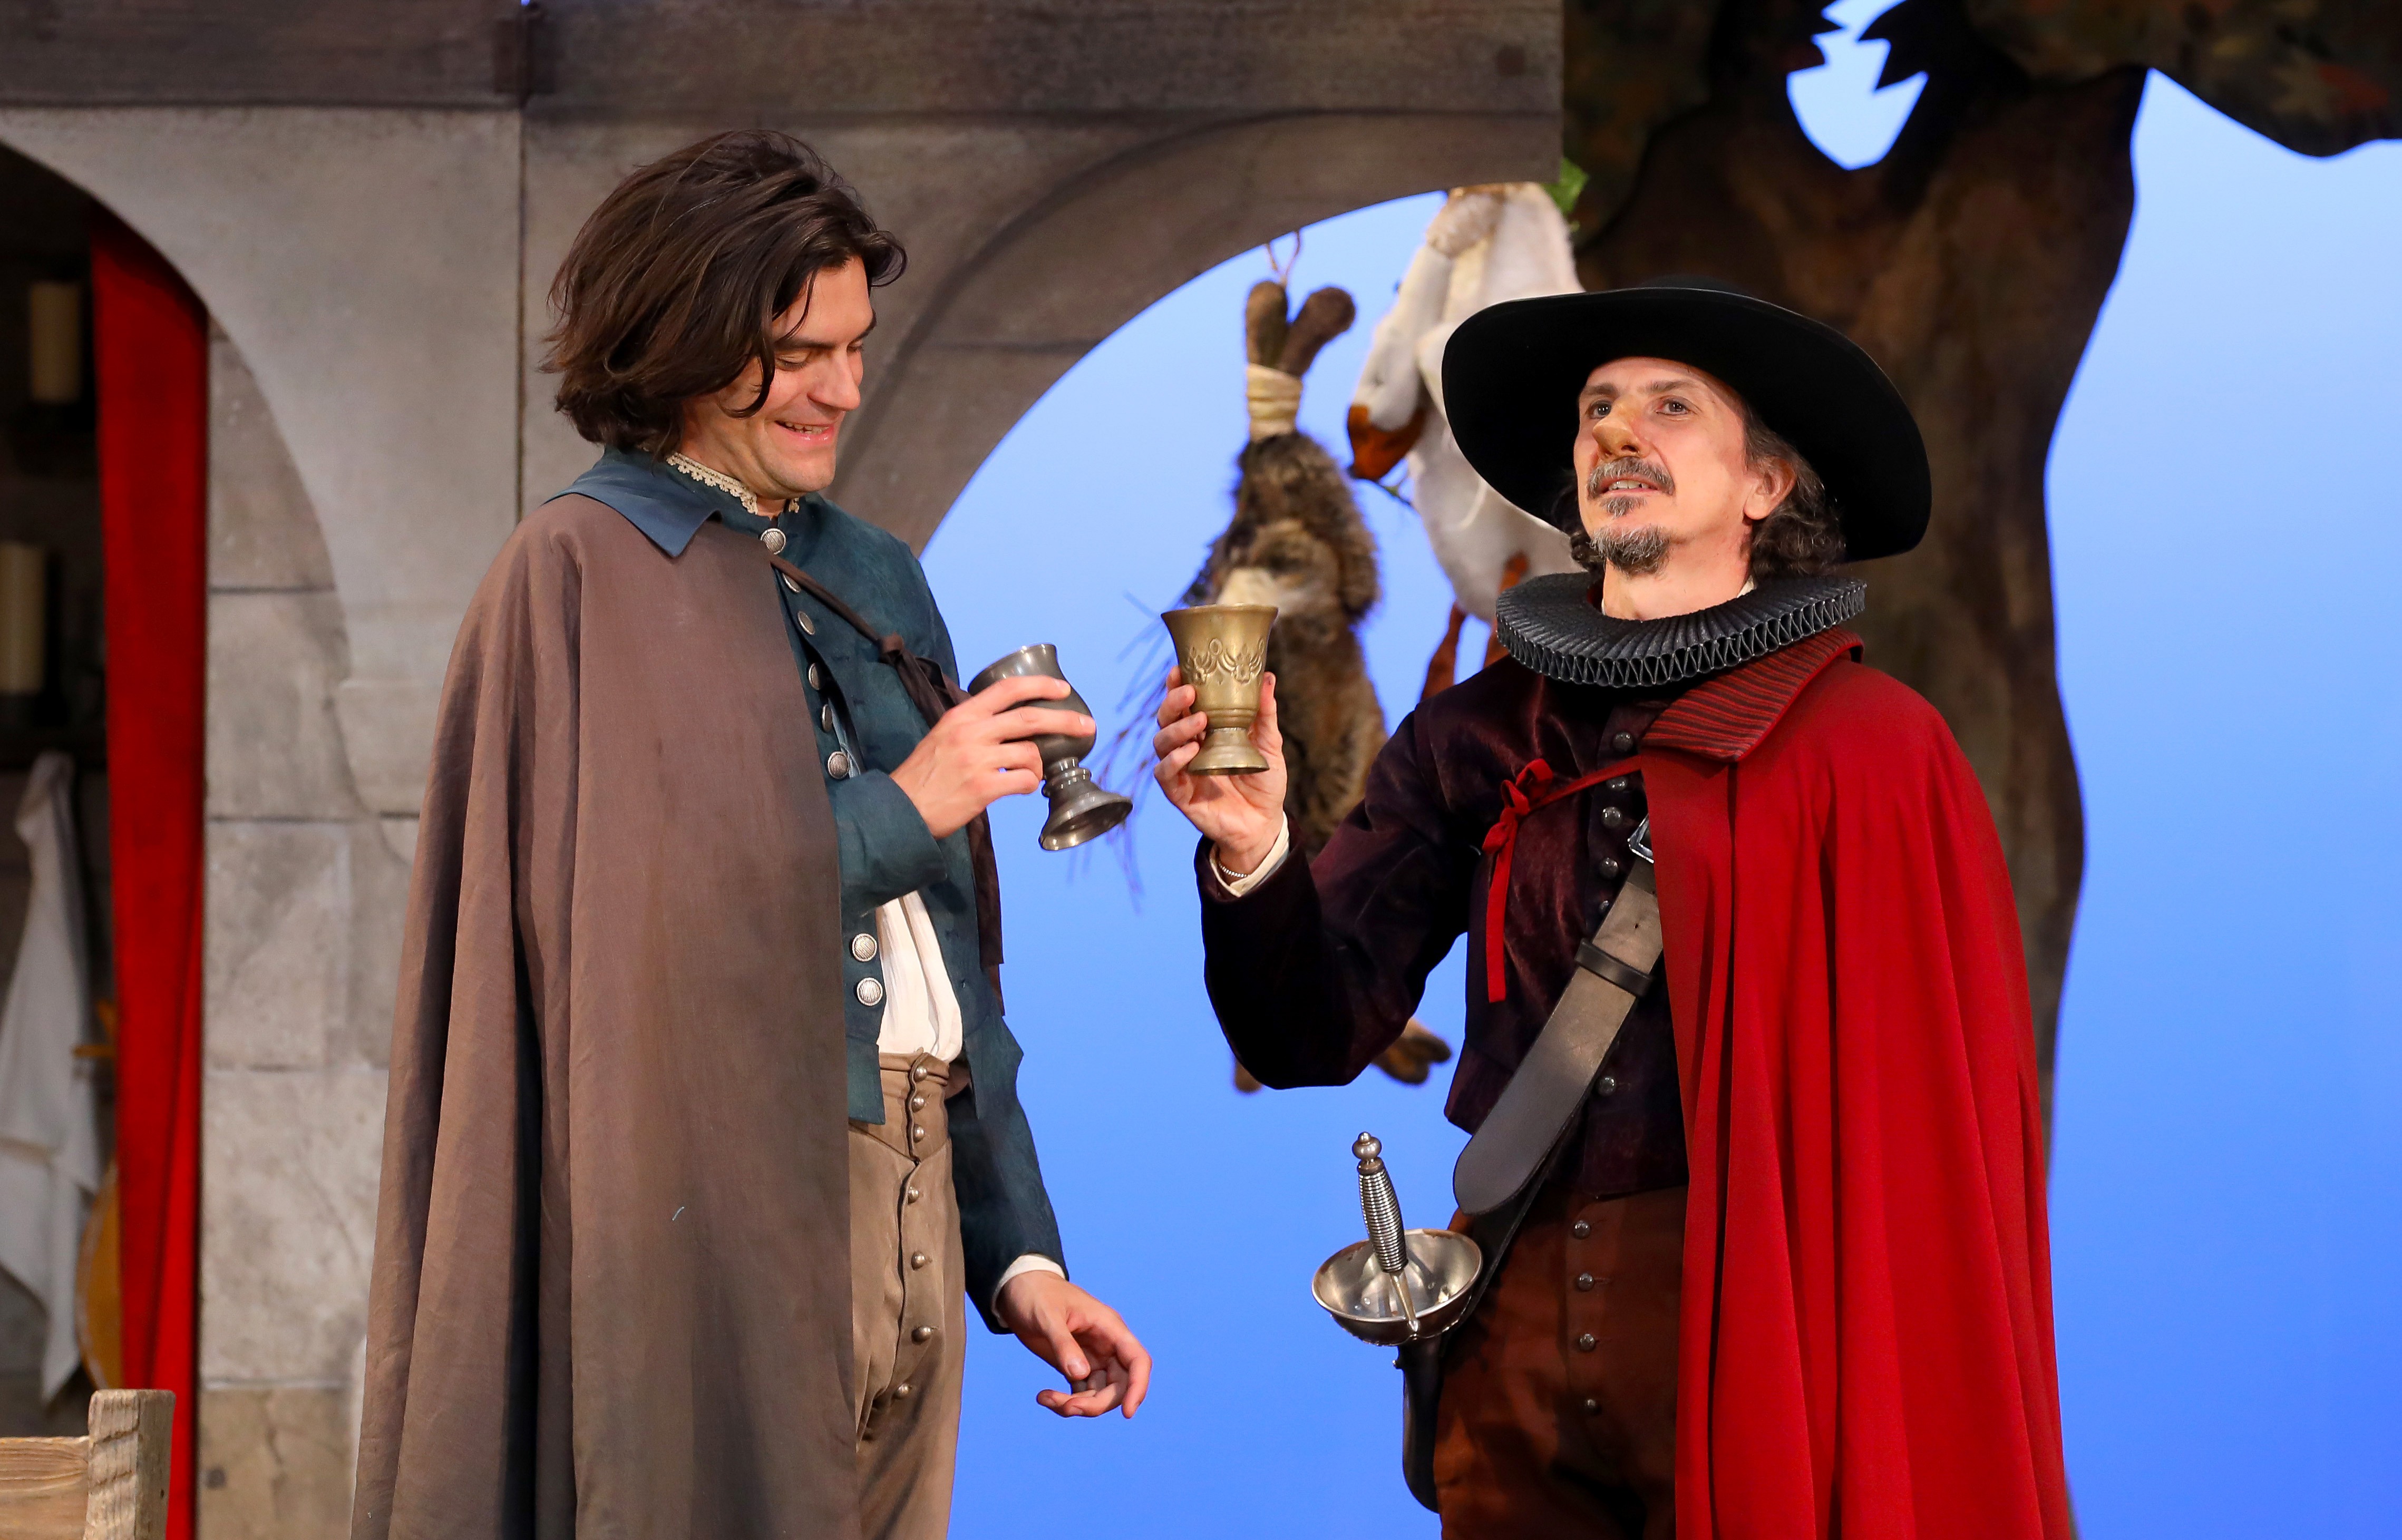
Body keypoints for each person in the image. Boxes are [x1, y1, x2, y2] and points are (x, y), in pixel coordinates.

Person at [1155, 284, 2071, 1538]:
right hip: (1507, 1332)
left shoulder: (1872, 750)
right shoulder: (1472, 736)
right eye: (1595, 410)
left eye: (1668, 407)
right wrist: (1253, 848)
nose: (1614, 433)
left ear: (1764, 486)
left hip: (1771, 1326)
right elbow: (1305, 1033)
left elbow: (1923, 1153)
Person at [354, 130, 1149, 1540]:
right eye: (795, 355)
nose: (841, 388)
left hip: (913, 1199)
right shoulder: (575, 570)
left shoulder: (872, 572)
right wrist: (907, 808)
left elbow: (950, 973)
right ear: (682, 343)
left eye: (853, 347)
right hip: (720, 1216)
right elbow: (628, 936)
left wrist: (1017, 1256)